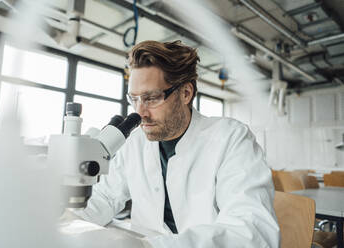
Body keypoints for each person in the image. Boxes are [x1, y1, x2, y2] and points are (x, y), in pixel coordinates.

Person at [72, 40, 280, 247]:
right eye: (134, 99)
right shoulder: (135, 143)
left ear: (186, 93)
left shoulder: (231, 139)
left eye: (151, 98)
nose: (140, 112)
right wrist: (66, 221)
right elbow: (104, 198)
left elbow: (252, 232)